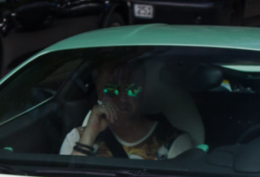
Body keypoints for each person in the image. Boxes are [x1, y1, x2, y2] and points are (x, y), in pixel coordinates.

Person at [60, 62, 194, 159]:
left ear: (143, 93)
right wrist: (91, 132)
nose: (123, 98)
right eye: (112, 90)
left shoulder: (173, 142)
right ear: (99, 93)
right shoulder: (77, 138)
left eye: (132, 89)